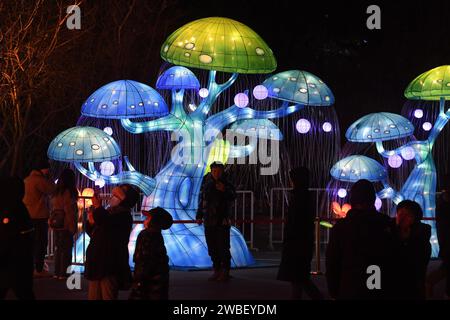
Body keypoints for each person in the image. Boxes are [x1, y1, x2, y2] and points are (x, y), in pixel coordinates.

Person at [326, 179, 395, 300]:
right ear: (373, 199)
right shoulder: (385, 223)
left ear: (352, 200)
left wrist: (334, 290)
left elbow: (332, 262)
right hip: (378, 283)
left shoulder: (342, 227)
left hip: (350, 285)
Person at [85, 184, 139, 300]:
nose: (112, 198)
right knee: (93, 295)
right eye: (113, 195)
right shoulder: (109, 212)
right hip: (97, 260)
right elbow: (95, 232)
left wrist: (98, 207)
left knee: (107, 294)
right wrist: (90, 222)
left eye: (116, 196)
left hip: (109, 262)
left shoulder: (123, 216)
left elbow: (106, 226)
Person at [277, 167, 323, 300]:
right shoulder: (304, 196)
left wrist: (289, 240)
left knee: (300, 278)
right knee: (298, 279)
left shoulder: (299, 197)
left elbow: (295, 222)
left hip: (297, 244)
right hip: (301, 243)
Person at [196, 161, 236, 282]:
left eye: (218, 171)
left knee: (223, 247)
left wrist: (224, 190)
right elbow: (202, 201)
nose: (216, 173)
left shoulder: (227, 184)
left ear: (222, 171)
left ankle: (225, 271)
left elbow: (233, 196)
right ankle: (217, 270)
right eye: (214, 171)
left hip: (222, 221)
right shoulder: (207, 185)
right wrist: (199, 215)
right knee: (212, 247)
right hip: (209, 221)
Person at [0, 175, 35, 300]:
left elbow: (7, 235)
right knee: (24, 291)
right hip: (20, 260)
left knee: (23, 290)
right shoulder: (20, 207)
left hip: (10, 260)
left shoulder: (9, 208)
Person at [129, 206, 173, 300]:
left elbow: (145, 260)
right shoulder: (157, 235)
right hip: (158, 281)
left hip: (148, 282)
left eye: (148, 218)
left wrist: (138, 280)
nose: (145, 220)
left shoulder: (146, 235)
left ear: (154, 221)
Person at [391, 200, 431, 299]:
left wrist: (405, 241)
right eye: (400, 214)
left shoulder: (422, 239)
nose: (402, 218)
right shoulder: (391, 233)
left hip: (413, 289)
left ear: (416, 219)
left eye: (407, 215)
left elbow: (416, 266)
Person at [23, 158, 55, 277]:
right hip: (39, 216)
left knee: (30, 244)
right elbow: (52, 189)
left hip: (28, 216)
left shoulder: (27, 180)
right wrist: (49, 179)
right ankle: (39, 269)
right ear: (44, 169)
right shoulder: (39, 180)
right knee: (41, 243)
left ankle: (30, 267)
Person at [49, 169, 78, 280]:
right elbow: (69, 211)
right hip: (65, 224)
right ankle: (64, 273)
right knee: (66, 249)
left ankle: (57, 272)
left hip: (57, 223)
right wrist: (72, 226)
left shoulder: (56, 192)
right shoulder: (68, 193)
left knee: (58, 248)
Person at [427, 174, 450, 299]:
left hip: (446, 249)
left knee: (430, 281)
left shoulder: (441, 204)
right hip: (447, 249)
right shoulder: (442, 205)